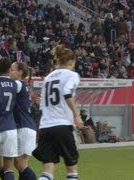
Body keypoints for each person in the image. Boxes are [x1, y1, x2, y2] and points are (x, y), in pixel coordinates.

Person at [32, 45, 84, 180]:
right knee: (72, 171)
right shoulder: (72, 75)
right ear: (71, 62)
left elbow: (42, 105)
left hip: (46, 127)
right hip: (63, 125)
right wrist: (77, 115)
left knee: (47, 172)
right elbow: (67, 92)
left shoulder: (48, 77)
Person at [9, 62, 37, 180]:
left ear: (20, 72)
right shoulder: (23, 84)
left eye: (12, 69)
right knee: (19, 164)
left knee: (21, 164)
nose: (9, 72)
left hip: (24, 126)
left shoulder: (18, 84)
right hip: (25, 126)